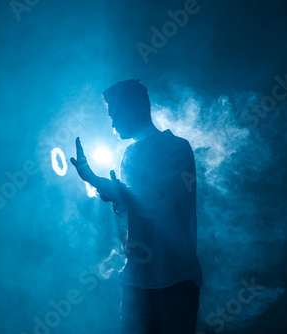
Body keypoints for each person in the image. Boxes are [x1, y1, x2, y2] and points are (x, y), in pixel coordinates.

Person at [70, 79, 202, 334]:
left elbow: (155, 203)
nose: (113, 124)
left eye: (115, 114)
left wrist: (101, 183)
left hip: (174, 277)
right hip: (137, 280)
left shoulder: (177, 148)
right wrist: (114, 197)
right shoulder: (129, 155)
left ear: (136, 108)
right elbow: (134, 210)